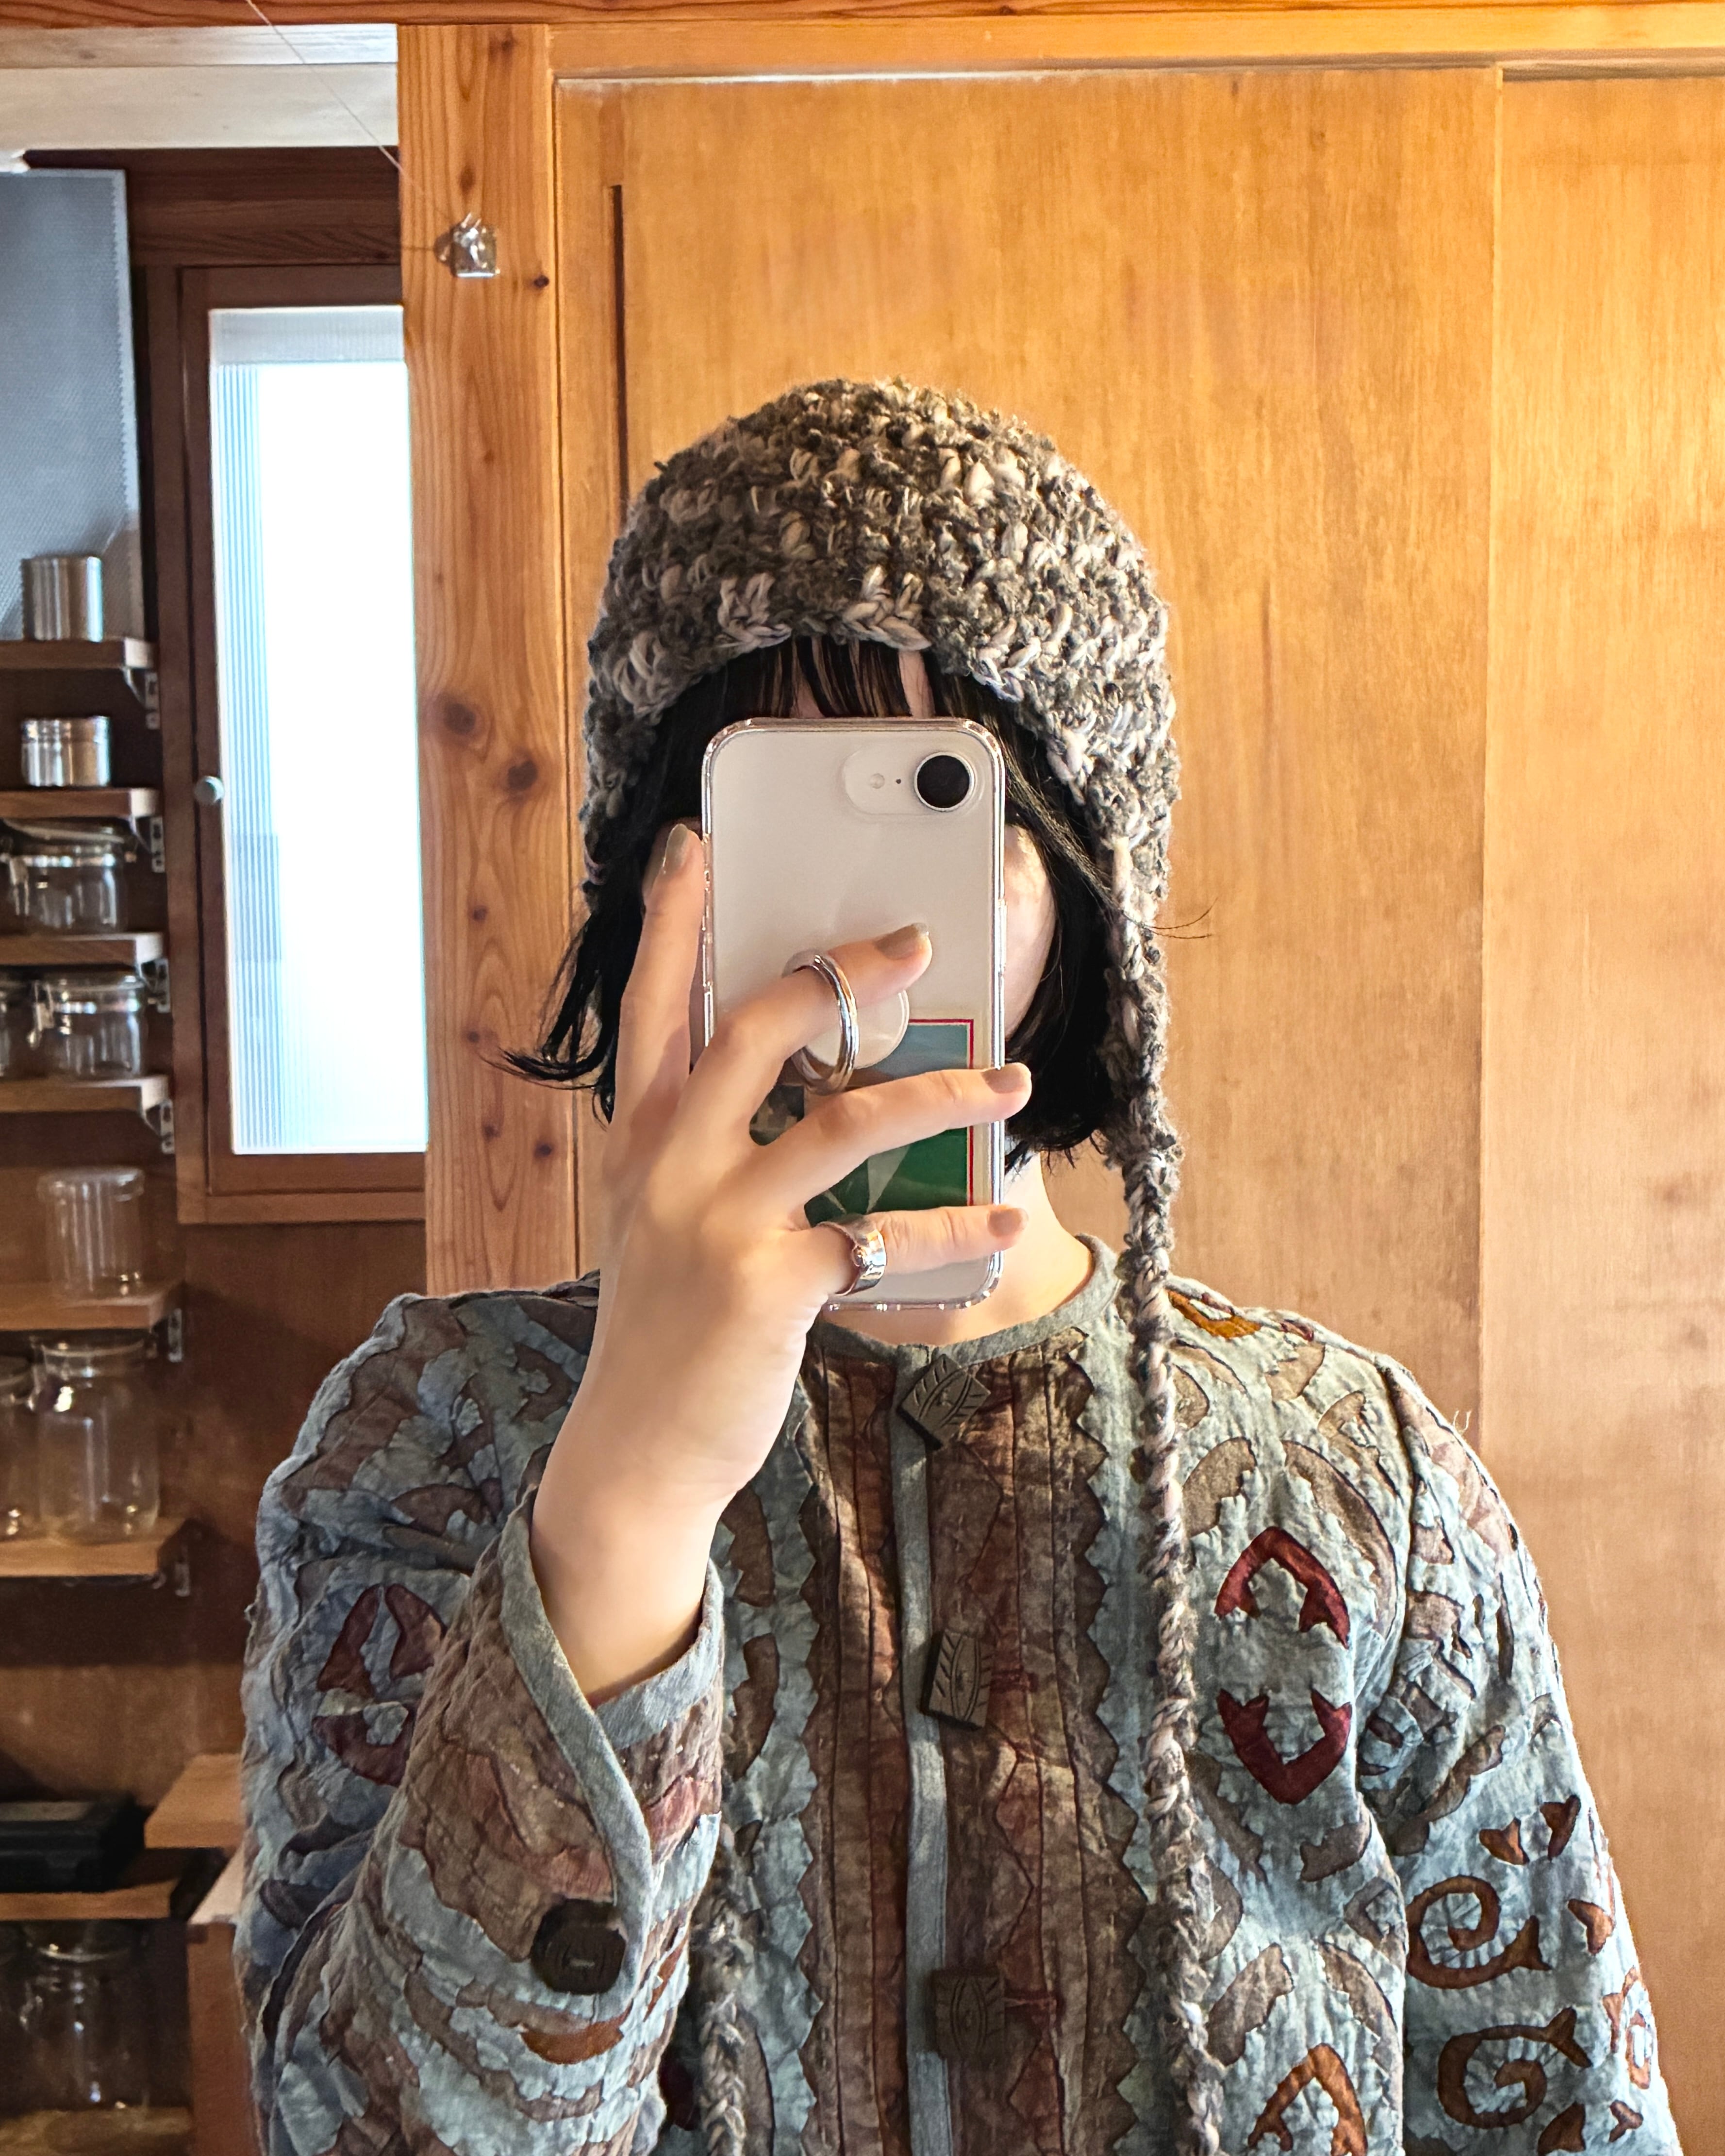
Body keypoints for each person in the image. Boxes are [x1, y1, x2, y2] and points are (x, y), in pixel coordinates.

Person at [237, 381, 1676, 2156]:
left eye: (938, 812)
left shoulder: (1356, 1478)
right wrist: (621, 1505)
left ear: (1082, 884)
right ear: (651, 882)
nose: (853, 944)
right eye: (773, 826)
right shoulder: (435, 1441)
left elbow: (1561, 2102)